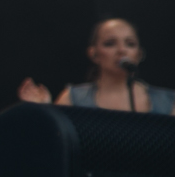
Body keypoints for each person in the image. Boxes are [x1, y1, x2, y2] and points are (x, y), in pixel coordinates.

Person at [19, 18, 172, 114]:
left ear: (139, 54)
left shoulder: (167, 101)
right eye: (110, 43)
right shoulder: (73, 98)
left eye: (130, 44)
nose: (122, 50)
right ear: (94, 54)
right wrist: (43, 111)